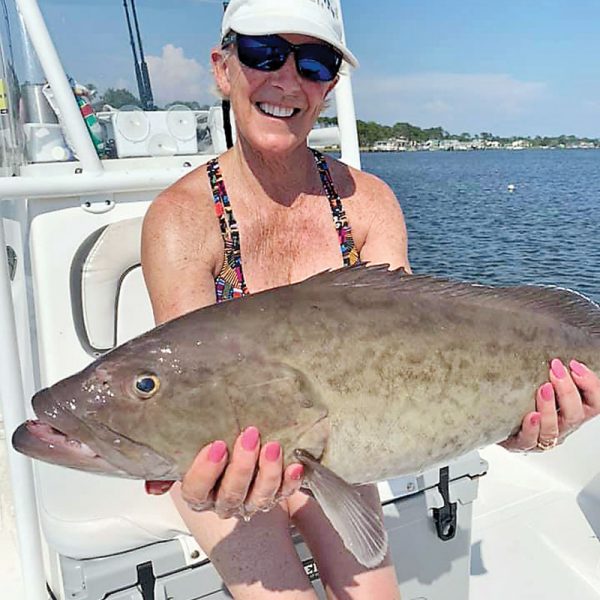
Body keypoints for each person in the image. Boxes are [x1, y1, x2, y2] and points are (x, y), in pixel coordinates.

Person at [141, 1, 600, 598]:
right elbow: (188, 383)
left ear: (330, 85)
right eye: (262, 53)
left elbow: (419, 362)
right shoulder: (179, 220)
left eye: (315, 62)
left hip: (338, 445)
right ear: (222, 68)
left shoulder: (368, 203)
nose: (287, 78)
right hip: (229, 454)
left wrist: (517, 421)